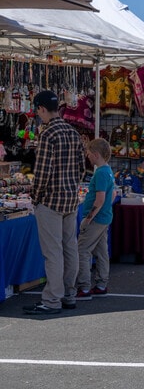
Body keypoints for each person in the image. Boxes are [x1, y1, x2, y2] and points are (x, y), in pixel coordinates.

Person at [25, 90, 85, 315]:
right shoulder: (72, 132)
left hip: (50, 200)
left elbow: (42, 173)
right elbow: (81, 167)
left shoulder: (48, 134)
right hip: (70, 199)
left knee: (53, 252)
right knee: (70, 249)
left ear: (41, 109)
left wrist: (36, 197)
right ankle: (69, 294)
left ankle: (52, 299)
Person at [74, 138, 115, 301]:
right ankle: (101, 284)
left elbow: (100, 199)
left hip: (96, 219)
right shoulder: (107, 171)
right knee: (101, 252)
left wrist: (88, 218)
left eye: (89, 153)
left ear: (96, 154)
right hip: (104, 218)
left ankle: (84, 288)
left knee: (82, 251)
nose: (87, 156)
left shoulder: (101, 173)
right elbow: (112, 195)